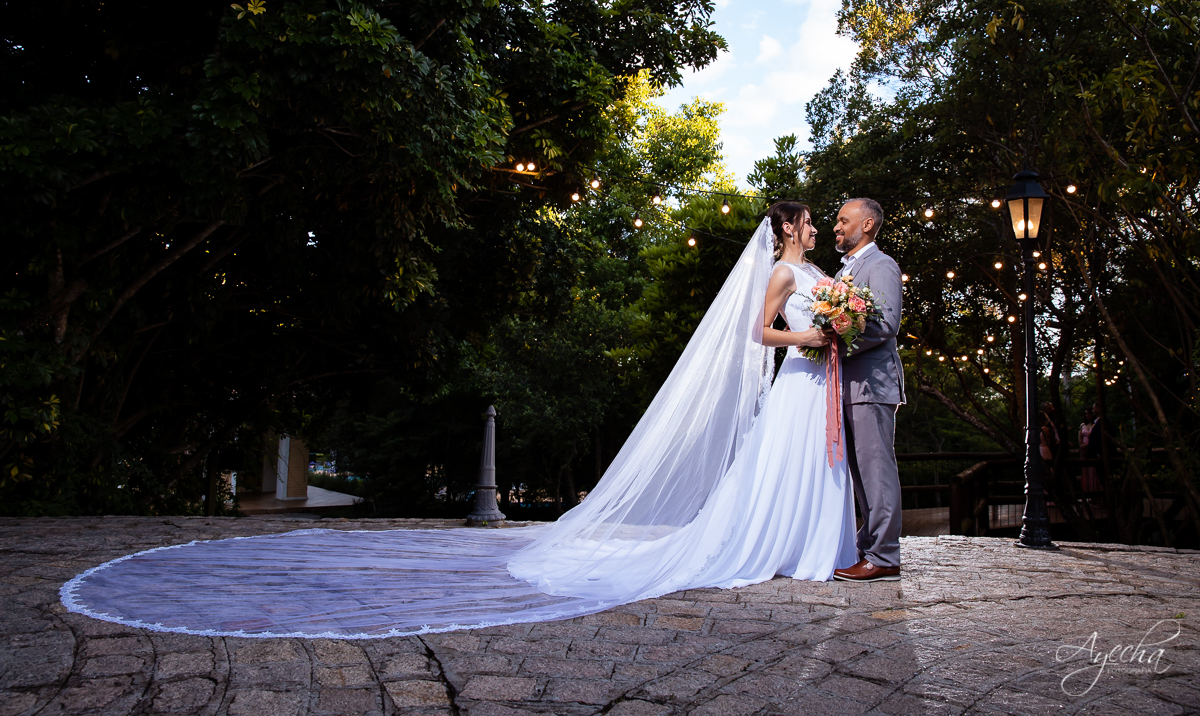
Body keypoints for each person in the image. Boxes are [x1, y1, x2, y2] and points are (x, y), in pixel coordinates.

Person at [61, 203, 866, 639]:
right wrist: (810, 332)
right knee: (776, 472)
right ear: (788, 229)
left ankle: (816, 546)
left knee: (811, 467)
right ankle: (772, 544)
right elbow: (762, 336)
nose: (813, 230)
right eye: (806, 222)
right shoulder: (779, 274)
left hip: (818, 383)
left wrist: (838, 323)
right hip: (799, 368)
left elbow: (836, 306)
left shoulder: (824, 272)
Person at [830, 198, 906, 583]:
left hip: (873, 383)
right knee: (860, 474)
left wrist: (834, 338)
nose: (836, 227)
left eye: (844, 221)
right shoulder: (845, 271)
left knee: (876, 469)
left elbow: (886, 322)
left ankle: (885, 556)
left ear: (868, 223)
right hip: (846, 385)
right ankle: (868, 548)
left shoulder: (882, 265)